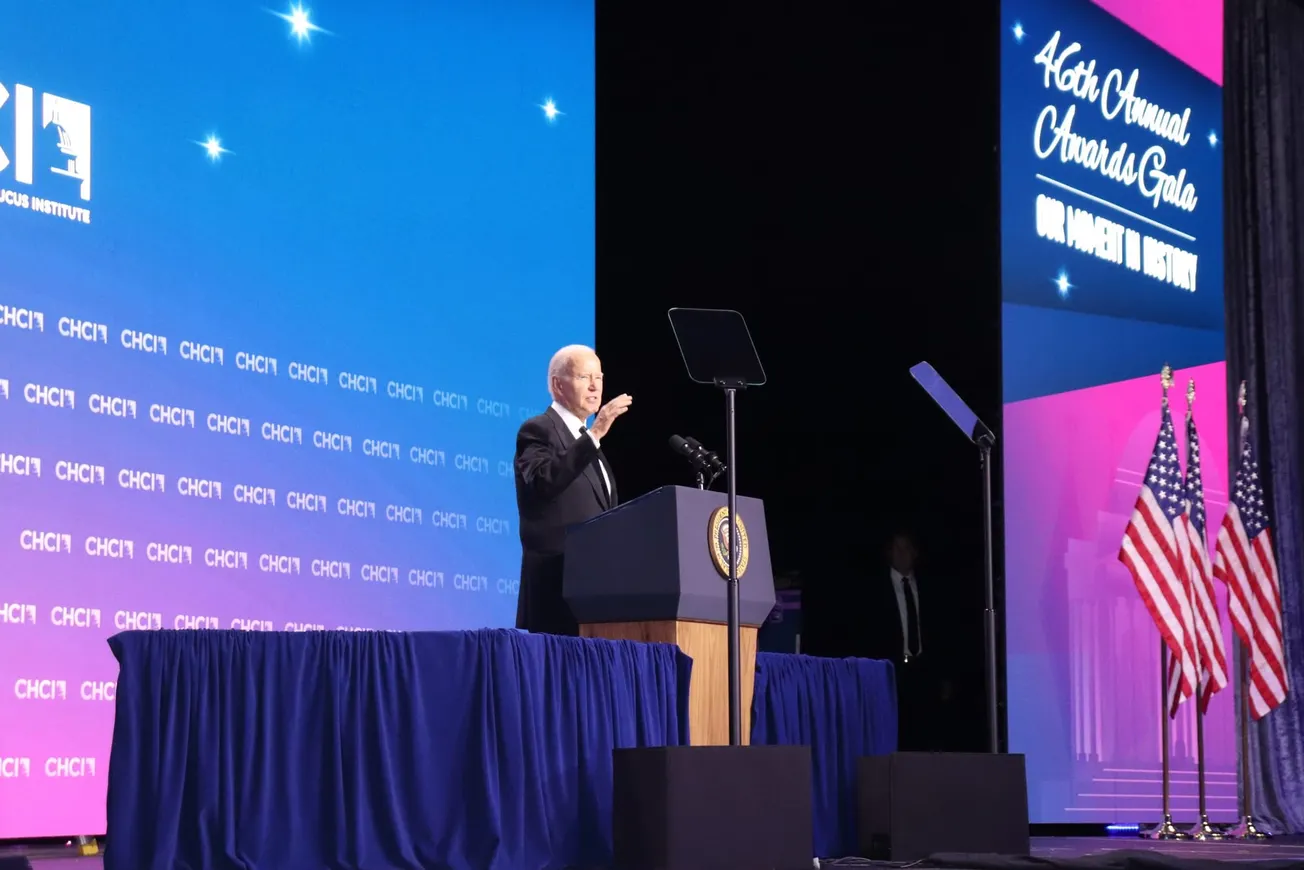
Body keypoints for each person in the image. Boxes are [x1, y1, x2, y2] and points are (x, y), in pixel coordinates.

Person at [514, 345, 632, 635]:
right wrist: (595, 433)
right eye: (584, 377)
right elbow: (542, 483)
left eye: (599, 377)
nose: (594, 386)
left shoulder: (589, 443)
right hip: (556, 592)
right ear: (558, 384)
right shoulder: (538, 429)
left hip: (596, 593)